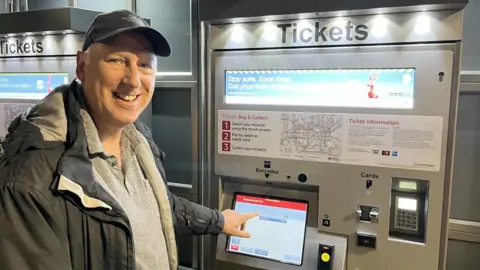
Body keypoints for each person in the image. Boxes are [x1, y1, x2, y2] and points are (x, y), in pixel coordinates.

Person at [0, 10, 258, 270]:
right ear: (82, 66)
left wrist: (218, 221)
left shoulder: (138, 140)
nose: (133, 81)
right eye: (116, 60)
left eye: (144, 64)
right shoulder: (29, 182)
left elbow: (159, 207)